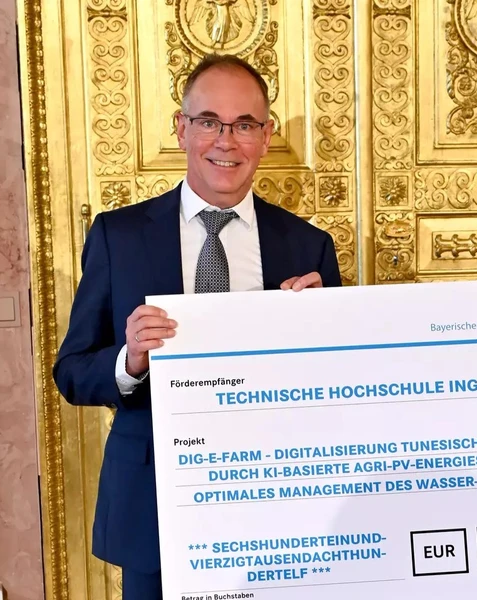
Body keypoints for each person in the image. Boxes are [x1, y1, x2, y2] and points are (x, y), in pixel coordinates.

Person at [53, 54, 341, 600]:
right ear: (181, 129)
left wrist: (320, 335)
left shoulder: (308, 247)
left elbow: (337, 392)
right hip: (156, 510)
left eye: (244, 125)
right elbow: (71, 372)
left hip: (278, 506)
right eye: (209, 121)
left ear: (266, 137)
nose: (226, 141)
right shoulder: (119, 236)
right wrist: (129, 360)